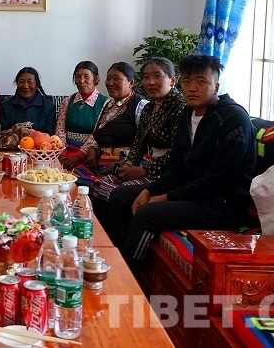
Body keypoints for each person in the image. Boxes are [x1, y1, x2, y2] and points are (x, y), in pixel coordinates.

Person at [107, 54, 256, 271]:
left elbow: (218, 180)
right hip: (191, 193)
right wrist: (150, 190)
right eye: (187, 81)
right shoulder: (188, 113)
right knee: (120, 196)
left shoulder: (233, 119)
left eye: (201, 81)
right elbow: (176, 168)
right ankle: (113, 258)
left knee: (148, 213)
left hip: (221, 204)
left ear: (216, 86)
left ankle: (128, 275)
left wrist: (165, 197)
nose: (192, 88)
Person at [91, 58, 185, 222]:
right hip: (143, 164)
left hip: (164, 174)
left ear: (172, 80)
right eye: (146, 77)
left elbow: (176, 152)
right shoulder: (149, 107)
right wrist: (128, 165)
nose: (150, 82)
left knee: (117, 194)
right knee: (100, 183)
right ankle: (99, 233)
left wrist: (144, 170)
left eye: (157, 76)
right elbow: (138, 143)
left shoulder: (180, 108)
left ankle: (118, 237)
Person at [80, 62, 148, 169]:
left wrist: (125, 164)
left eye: (116, 79)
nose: (110, 83)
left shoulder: (140, 105)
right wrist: (93, 148)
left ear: (131, 83)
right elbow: (100, 132)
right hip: (100, 165)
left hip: (125, 168)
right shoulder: (108, 105)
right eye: (108, 78)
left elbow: (146, 144)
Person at [58, 61, 108, 170]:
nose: (81, 81)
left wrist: (79, 156)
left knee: (79, 176)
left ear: (96, 79)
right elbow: (60, 128)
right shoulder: (67, 101)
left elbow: (97, 133)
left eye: (86, 77)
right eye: (78, 77)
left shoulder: (105, 103)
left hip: (88, 154)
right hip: (64, 151)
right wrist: (61, 153)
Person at [0, 67, 55, 134]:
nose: (25, 86)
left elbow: (50, 133)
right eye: (21, 82)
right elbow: (3, 133)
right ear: (17, 84)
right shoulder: (6, 105)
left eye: (29, 82)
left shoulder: (48, 107)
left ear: (37, 85)